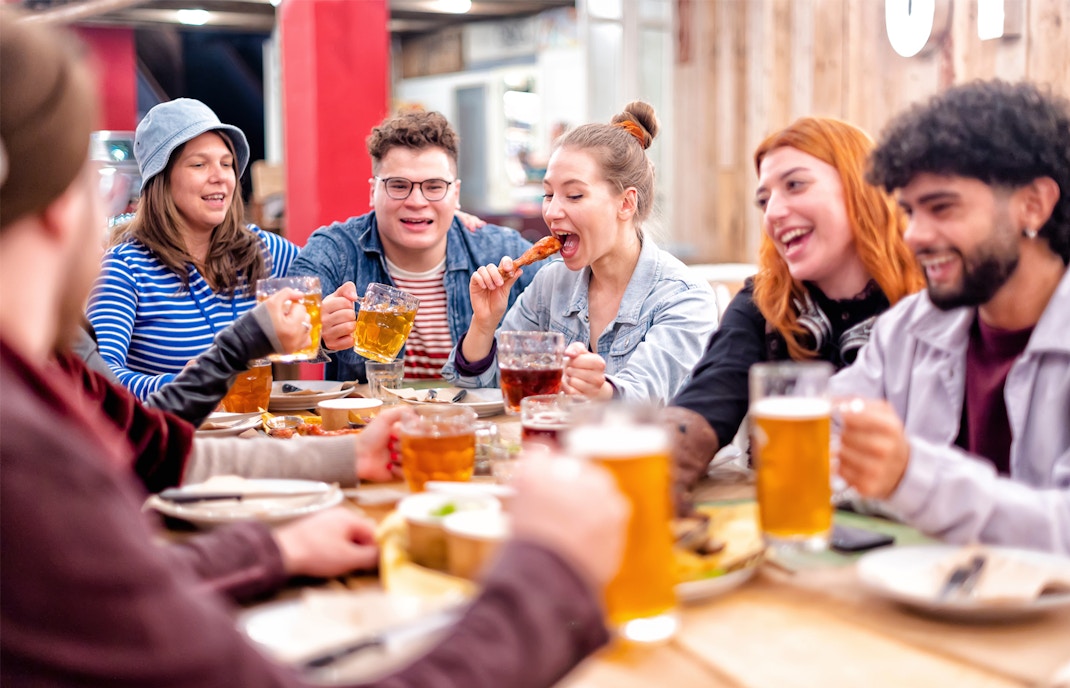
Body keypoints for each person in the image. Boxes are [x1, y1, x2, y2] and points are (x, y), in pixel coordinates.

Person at [0, 15, 629, 686]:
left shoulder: (48, 389)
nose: (217, 180)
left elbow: (158, 459)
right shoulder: (32, 448)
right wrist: (550, 575)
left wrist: (281, 535)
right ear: (66, 208)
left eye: (436, 187)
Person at [832, 80, 1070, 553]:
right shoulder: (906, 329)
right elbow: (828, 443)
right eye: (910, 212)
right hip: (924, 605)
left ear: (1034, 204)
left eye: (942, 207)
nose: (914, 236)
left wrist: (909, 477)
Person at [666, 117, 924, 499]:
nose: (772, 213)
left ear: (861, 188)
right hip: (789, 528)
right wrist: (656, 475)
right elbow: (705, 404)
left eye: (795, 185)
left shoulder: (930, 301)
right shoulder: (764, 303)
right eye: (764, 200)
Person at [441, 102, 718, 403]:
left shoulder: (685, 297)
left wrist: (599, 391)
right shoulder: (551, 283)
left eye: (574, 195)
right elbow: (487, 387)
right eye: (548, 194)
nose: (552, 211)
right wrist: (483, 324)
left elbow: (648, 399)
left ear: (626, 203)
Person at [288, 110, 545, 383]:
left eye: (434, 187)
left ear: (454, 195)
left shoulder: (499, 251)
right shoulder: (337, 250)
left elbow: (572, 286)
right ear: (372, 192)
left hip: (476, 422)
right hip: (368, 423)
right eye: (399, 185)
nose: (417, 201)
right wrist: (314, 331)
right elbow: (277, 324)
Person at [86, 97, 300, 400]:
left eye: (227, 164)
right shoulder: (125, 268)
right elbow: (98, 378)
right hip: (173, 439)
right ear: (162, 179)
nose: (220, 176)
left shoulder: (260, 249)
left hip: (256, 436)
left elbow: (323, 277)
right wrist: (180, 384)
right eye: (199, 164)